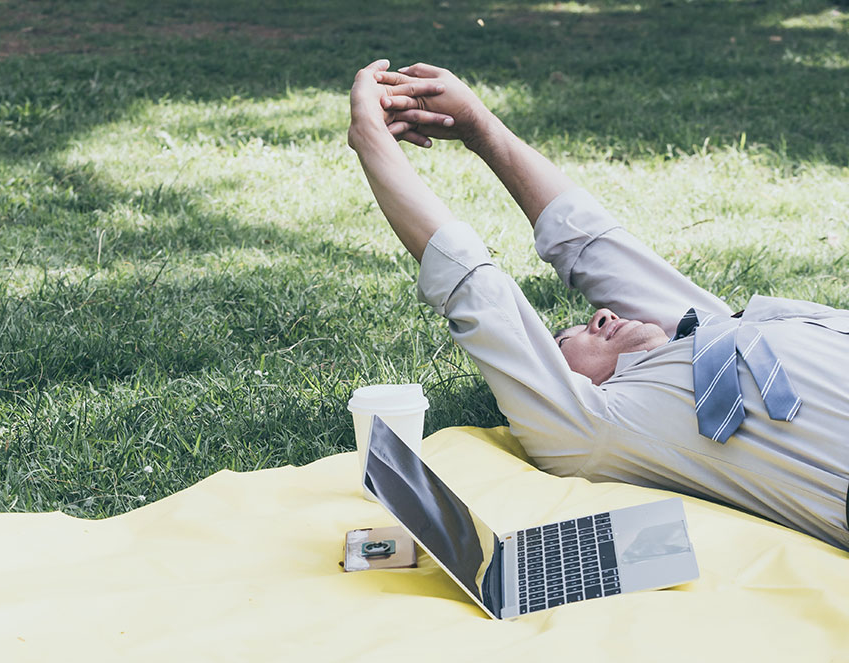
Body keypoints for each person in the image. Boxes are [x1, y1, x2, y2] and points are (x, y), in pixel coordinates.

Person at [348, 59, 849, 551]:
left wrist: (481, 127)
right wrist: (371, 140)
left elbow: (592, 242)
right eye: (565, 340)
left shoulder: (711, 335)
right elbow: (476, 287)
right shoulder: (601, 427)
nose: (602, 315)